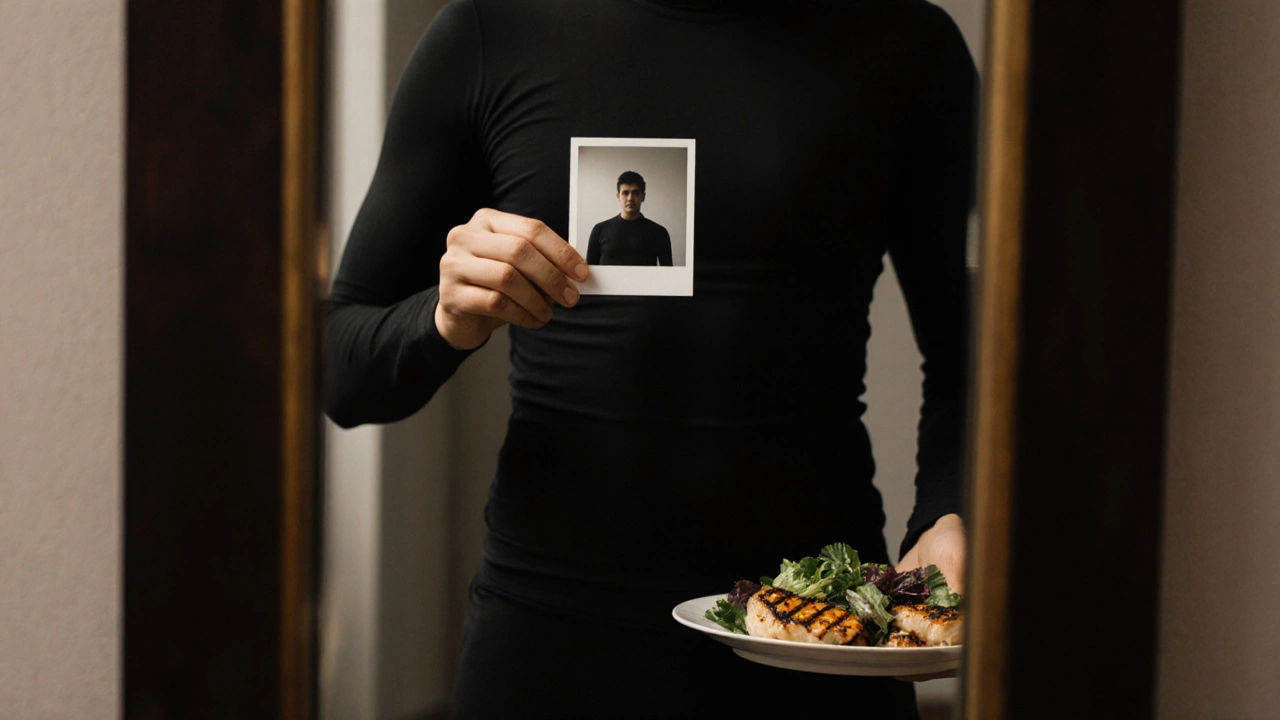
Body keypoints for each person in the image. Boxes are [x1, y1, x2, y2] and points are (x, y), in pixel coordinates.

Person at [325, 0, 976, 717]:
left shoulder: (906, 45)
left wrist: (949, 510)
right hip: (549, 637)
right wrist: (443, 316)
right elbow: (339, 370)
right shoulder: (490, 32)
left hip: (818, 626)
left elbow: (973, 351)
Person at [586, 171, 675, 266]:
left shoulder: (659, 232)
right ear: (618, 196)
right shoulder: (599, 230)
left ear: (643, 197)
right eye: (625, 193)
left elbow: (668, 274)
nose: (630, 198)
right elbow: (590, 273)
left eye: (635, 193)